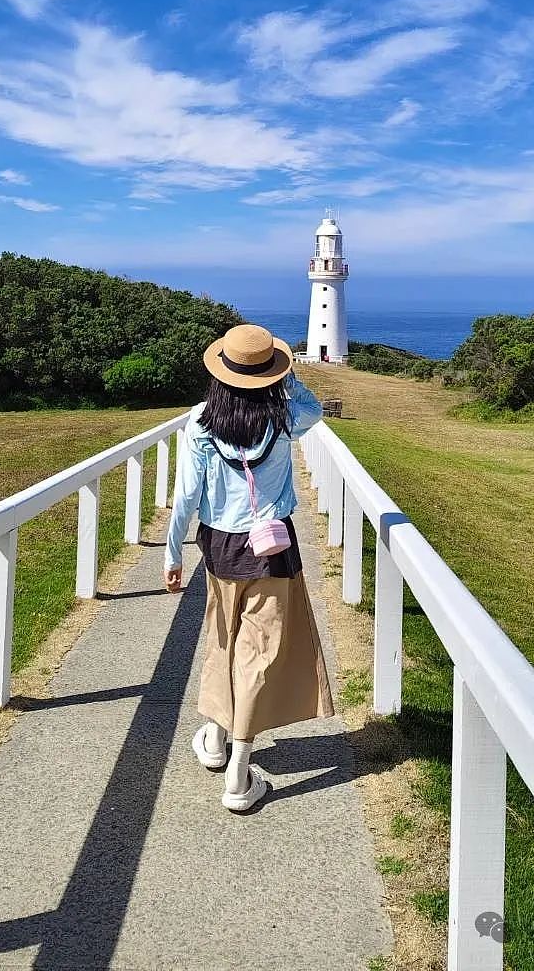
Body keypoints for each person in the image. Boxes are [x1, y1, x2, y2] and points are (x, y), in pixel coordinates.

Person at [164, 323, 334, 812]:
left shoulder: (200, 422)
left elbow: (186, 497)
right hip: (272, 547)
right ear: (268, 376)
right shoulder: (285, 420)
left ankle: (216, 742)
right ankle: (238, 774)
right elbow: (315, 408)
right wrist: (286, 377)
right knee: (258, 650)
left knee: (224, 640)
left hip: (219, 546)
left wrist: (173, 553)